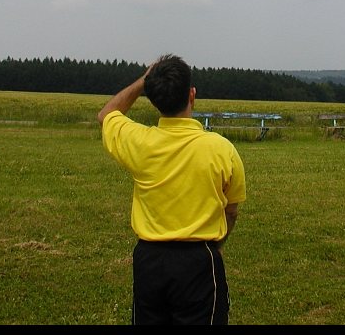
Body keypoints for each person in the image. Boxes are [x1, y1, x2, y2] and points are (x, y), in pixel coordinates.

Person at [97, 54, 246, 325]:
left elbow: (106, 115)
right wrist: (218, 245)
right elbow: (232, 210)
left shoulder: (140, 142)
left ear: (153, 99)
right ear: (192, 95)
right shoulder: (221, 149)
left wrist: (143, 81)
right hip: (199, 261)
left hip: (149, 260)